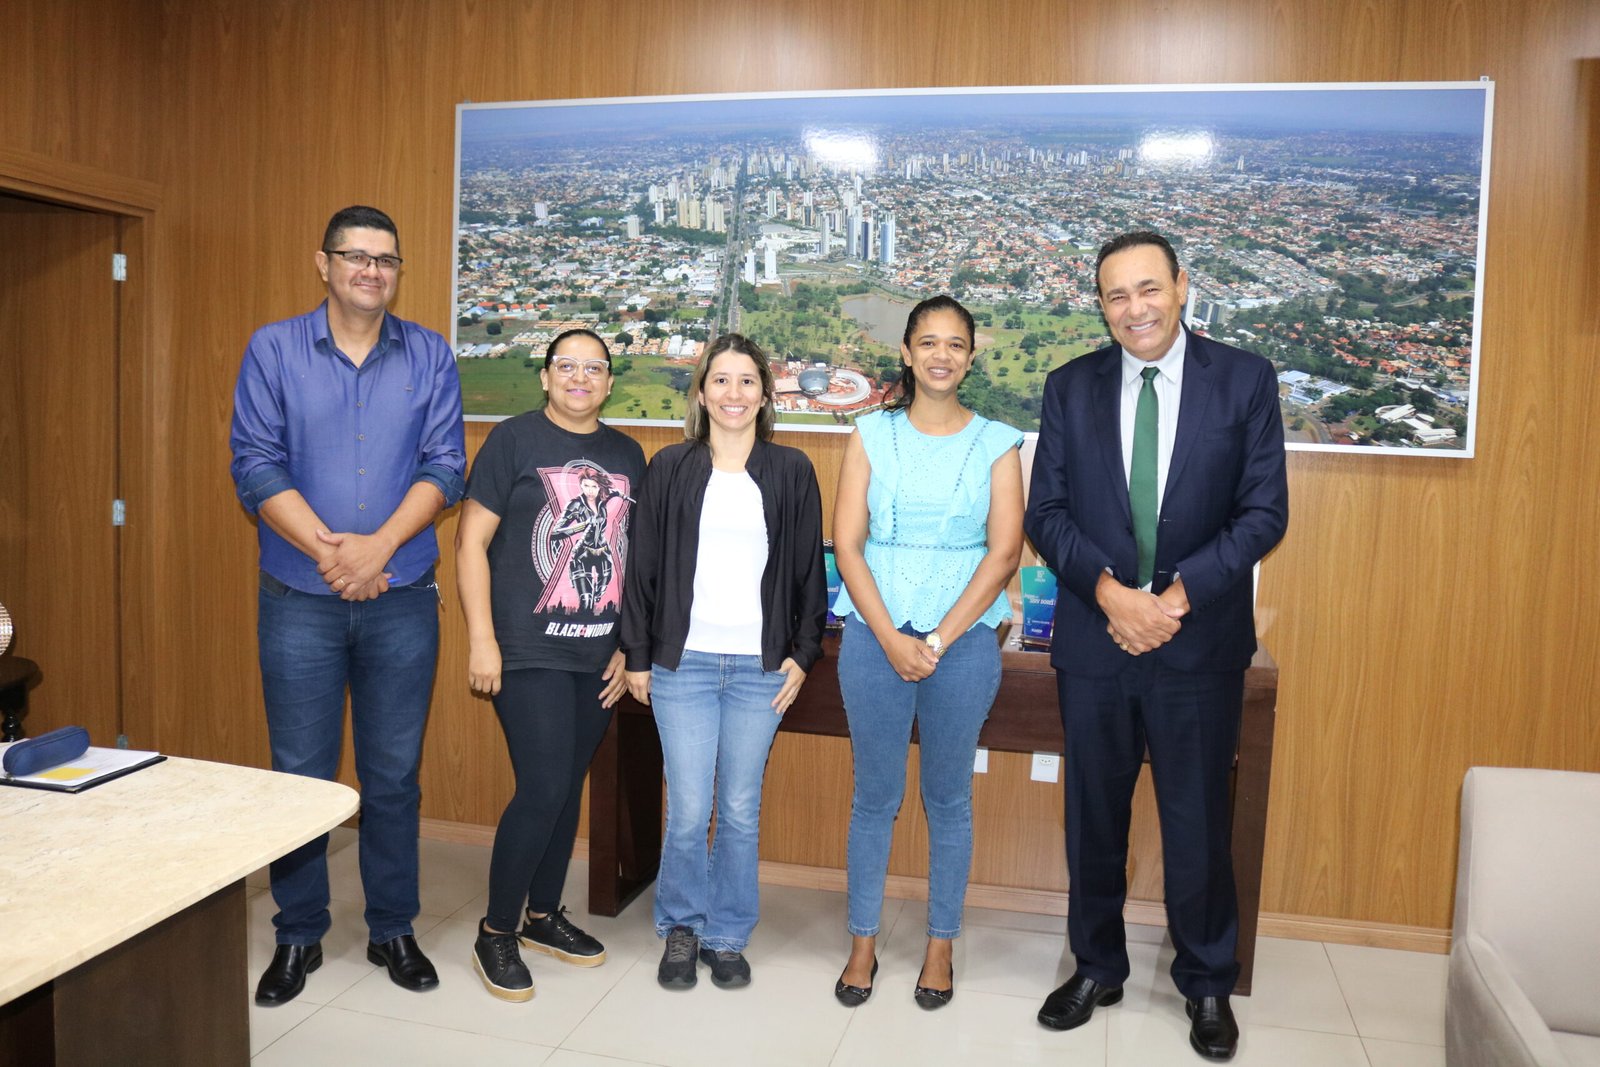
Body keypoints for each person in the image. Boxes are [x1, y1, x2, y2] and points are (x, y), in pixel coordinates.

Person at [1024, 231, 1288, 1061]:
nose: (1134, 308)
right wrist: (1108, 593)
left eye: (1148, 288)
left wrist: (1170, 601)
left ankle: (1207, 981)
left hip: (1198, 642)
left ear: (1181, 286)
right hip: (1095, 641)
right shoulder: (1070, 386)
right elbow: (1047, 514)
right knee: (1092, 818)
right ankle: (1097, 965)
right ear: (1099, 305)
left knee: (1198, 819)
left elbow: (1263, 513)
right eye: (1115, 295)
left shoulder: (1244, 379)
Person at [230, 205, 466, 1005]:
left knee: (393, 776)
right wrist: (335, 552)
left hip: (401, 598)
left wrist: (377, 550)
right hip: (300, 594)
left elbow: (445, 465)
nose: (371, 270)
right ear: (323, 263)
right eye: (356, 256)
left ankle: (392, 926)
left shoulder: (430, 355)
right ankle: (298, 935)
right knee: (300, 774)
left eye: (385, 259)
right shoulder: (273, 349)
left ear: (399, 271)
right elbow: (255, 463)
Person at [831, 294, 1024, 1011]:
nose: (941, 355)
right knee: (873, 798)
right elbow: (847, 542)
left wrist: (936, 640)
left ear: (971, 358)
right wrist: (889, 636)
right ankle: (862, 940)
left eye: (956, 344)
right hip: (873, 634)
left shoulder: (999, 442)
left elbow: (1004, 553)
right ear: (907, 353)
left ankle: (941, 944)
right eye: (928, 342)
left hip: (965, 642)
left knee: (948, 799)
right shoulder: (869, 433)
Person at [620, 333, 827, 991]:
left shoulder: (792, 470)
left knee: (738, 806)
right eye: (721, 380)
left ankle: (728, 933)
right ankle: (682, 925)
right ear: (701, 391)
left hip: (760, 668)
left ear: (765, 394)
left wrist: (802, 654)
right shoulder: (671, 466)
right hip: (684, 664)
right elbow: (642, 567)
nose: (733, 394)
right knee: (687, 807)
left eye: (746, 381)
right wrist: (636, 655)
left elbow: (806, 576)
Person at [455, 328, 645, 1001]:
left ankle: (542, 914)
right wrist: (483, 639)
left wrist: (628, 647)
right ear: (544, 376)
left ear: (610, 381)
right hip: (526, 649)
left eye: (595, 367)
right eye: (567, 365)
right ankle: (495, 928)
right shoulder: (512, 441)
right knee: (541, 786)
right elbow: (470, 543)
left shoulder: (627, 453)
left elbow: (633, 560)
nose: (580, 377)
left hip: (596, 653)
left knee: (566, 786)